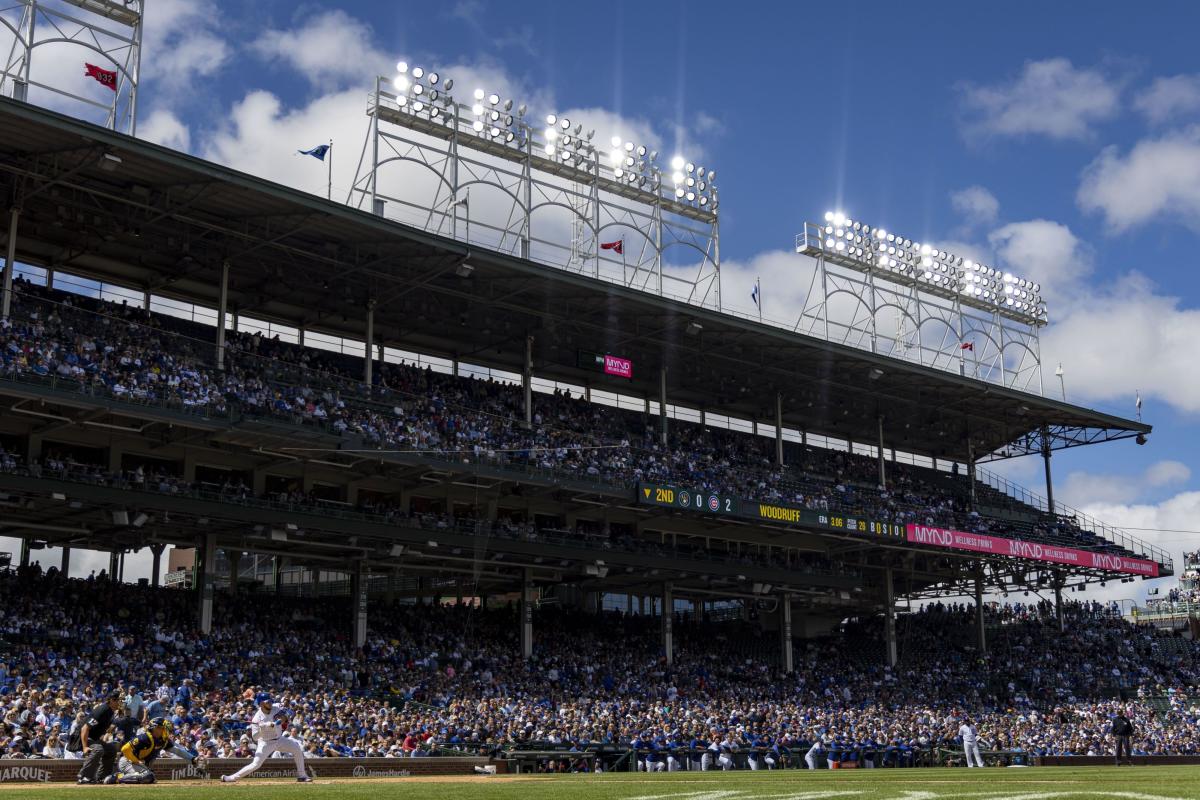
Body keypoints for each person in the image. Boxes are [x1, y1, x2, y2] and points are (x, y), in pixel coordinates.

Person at [221, 694, 310, 783]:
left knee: (297, 749)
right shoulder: (256, 719)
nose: (270, 703)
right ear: (261, 704)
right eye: (268, 702)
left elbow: (288, 714)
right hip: (266, 743)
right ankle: (231, 778)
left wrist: (276, 722)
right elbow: (255, 737)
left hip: (279, 739)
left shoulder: (276, 707)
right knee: (256, 764)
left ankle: (302, 775)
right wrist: (263, 730)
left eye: (270, 701)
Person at [111, 717, 201, 784]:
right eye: (162, 728)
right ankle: (117, 778)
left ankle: (123, 776)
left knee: (150, 778)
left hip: (136, 763)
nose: (164, 731)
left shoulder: (163, 740)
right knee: (148, 776)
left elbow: (177, 751)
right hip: (127, 761)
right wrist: (137, 761)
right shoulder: (145, 737)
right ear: (155, 728)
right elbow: (124, 749)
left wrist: (192, 759)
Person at [68, 690, 121, 784]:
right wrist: (84, 747)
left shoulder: (111, 712)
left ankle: (102, 777)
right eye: (118, 700)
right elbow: (85, 728)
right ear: (112, 700)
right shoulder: (103, 710)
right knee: (98, 749)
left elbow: (99, 730)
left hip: (92, 738)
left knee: (111, 750)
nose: (120, 703)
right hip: (81, 737)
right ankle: (84, 777)